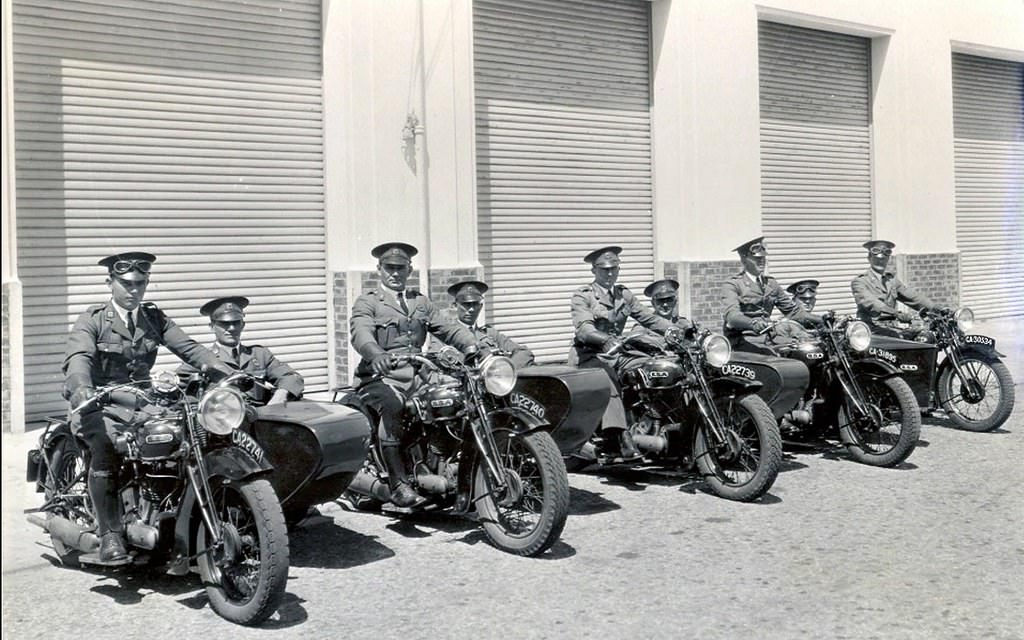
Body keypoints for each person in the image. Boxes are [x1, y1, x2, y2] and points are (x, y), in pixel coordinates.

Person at [62, 252, 233, 562]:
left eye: (140, 284)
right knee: (106, 448)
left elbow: (189, 348)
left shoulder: (153, 318)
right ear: (110, 283)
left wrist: (226, 371)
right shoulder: (93, 319)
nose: (134, 290)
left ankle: (164, 507)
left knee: (182, 432)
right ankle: (110, 534)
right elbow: (78, 359)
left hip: (139, 401)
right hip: (96, 403)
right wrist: (81, 386)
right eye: (126, 284)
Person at [349, 242, 479, 508]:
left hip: (418, 375)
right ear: (380, 269)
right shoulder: (369, 302)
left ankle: (441, 462)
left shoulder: (420, 301)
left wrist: (471, 345)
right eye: (389, 268)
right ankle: (398, 485)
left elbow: (449, 328)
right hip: (379, 377)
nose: (395, 273)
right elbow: (361, 334)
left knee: (455, 397)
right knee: (393, 406)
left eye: (401, 268)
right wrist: (376, 354)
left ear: (410, 269)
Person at [569, 246, 672, 464]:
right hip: (589, 354)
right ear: (594, 271)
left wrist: (674, 330)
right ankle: (618, 437)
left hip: (617, 352)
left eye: (614, 269)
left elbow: (648, 318)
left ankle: (653, 419)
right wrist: (603, 339)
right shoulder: (583, 296)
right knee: (608, 381)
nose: (609, 273)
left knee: (653, 367)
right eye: (604, 269)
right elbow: (584, 329)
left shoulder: (623, 294)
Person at [177, 296, 304, 406]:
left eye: (236, 323)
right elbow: (175, 387)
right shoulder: (202, 358)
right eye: (224, 323)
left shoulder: (260, 355)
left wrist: (279, 396)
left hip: (259, 420)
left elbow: (291, 377)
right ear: (212, 327)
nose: (231, 328)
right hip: (222, 423)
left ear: (243, 325)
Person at [720, 236, 822, 355]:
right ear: (744, 260)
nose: (762, 260)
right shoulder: (733, 284)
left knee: (807, 350)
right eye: (756, 258)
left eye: (763, 257)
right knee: (778, 362)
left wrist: (822, 319)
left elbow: (793, 312)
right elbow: (732, 316)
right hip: (745, 341)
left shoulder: (771, 283)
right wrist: (753, 323)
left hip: (769, 338)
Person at [851, 240, 944, 338]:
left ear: (888, 259)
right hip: (870, 331)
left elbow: (913, 297)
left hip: (891, 329)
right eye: (876, 258)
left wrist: (938, 309)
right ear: (869, 258)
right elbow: (871, 302)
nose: (881, 261)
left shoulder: (891, 280)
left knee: (925, 337)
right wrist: (896, 313)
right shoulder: (860, 282)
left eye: (884, 258)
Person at [444, 280, 535, 370]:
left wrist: (504, 371)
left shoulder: (490, 334)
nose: (471, 309)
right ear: (455, 306)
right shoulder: (446, 335)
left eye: (475, 304)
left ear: (481, 306)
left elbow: (524, 352)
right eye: (466, 305)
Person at [772, 279, 819, 344]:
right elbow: (776, 344)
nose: (807, 302)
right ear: (794, 300)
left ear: (815, 300)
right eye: (803, 299)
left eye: (811, 298)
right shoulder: (784, 324)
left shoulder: (816, 321)